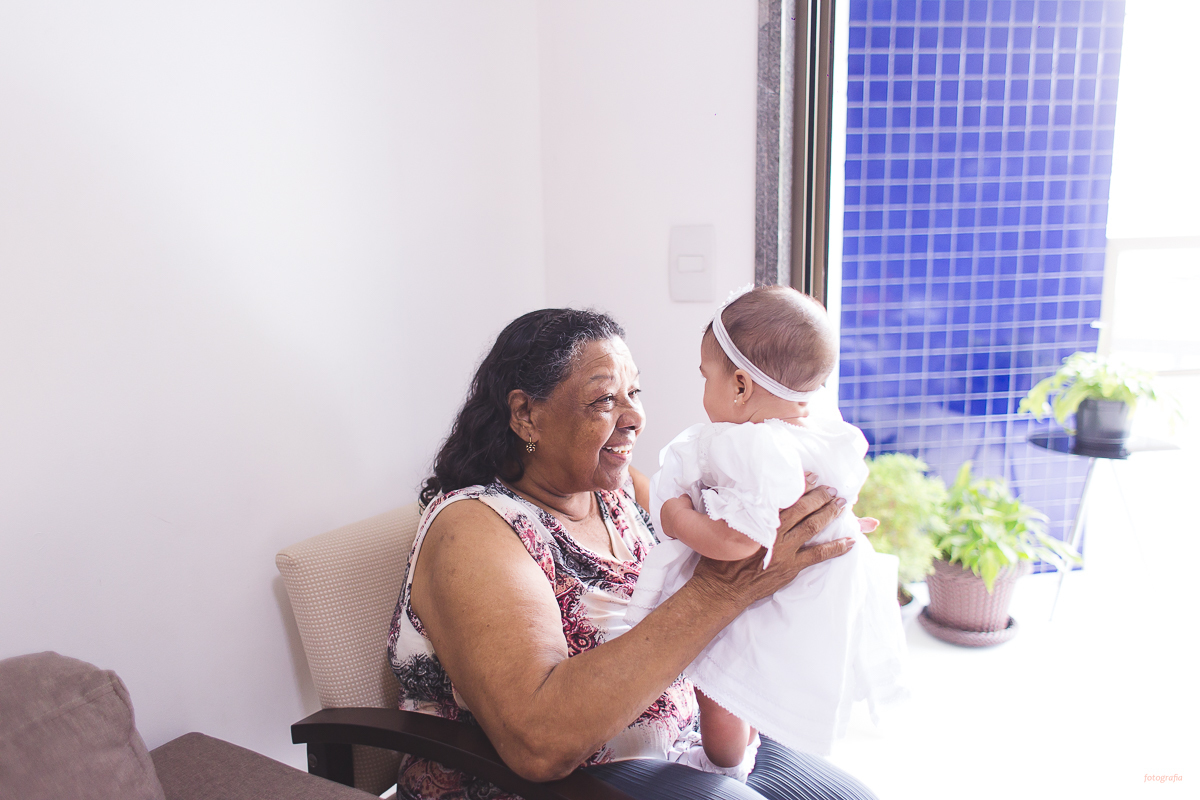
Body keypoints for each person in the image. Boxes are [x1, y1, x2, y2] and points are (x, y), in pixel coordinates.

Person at [386, 307, 880, 800]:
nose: (636, 417)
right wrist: (723, 588)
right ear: (526, 416)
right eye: (604, 399)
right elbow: (538, 743)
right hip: (555, 784)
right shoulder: (474, 528)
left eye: (634, 393)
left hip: (688, 748)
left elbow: (743, 540)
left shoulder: (618, 495)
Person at [625, 286, 907, 780]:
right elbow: (827, 501)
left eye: (704, 376)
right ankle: (749, 740)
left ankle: (721, 763)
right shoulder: (819, 430)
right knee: (757, 674)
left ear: (739, 385)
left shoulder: (752, 447)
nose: (703, 389)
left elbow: (741, 542)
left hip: (776, 592)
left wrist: (675, 517)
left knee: (718, 678)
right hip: (817, 591)